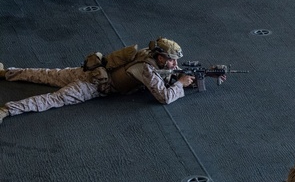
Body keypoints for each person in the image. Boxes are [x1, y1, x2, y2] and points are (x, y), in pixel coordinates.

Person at [0, 38, 193, 125]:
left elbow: (168, 71)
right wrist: (180, 84)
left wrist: (186, 75)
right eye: (171, 60)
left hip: (91, 70)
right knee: (53, 100)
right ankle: (7, 110)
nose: (175, 64)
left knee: (45, 74)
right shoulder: (147, 69)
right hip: (92, 86)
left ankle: (5, 73)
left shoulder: (146, 53)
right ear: (160, 57)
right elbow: (164, 97)